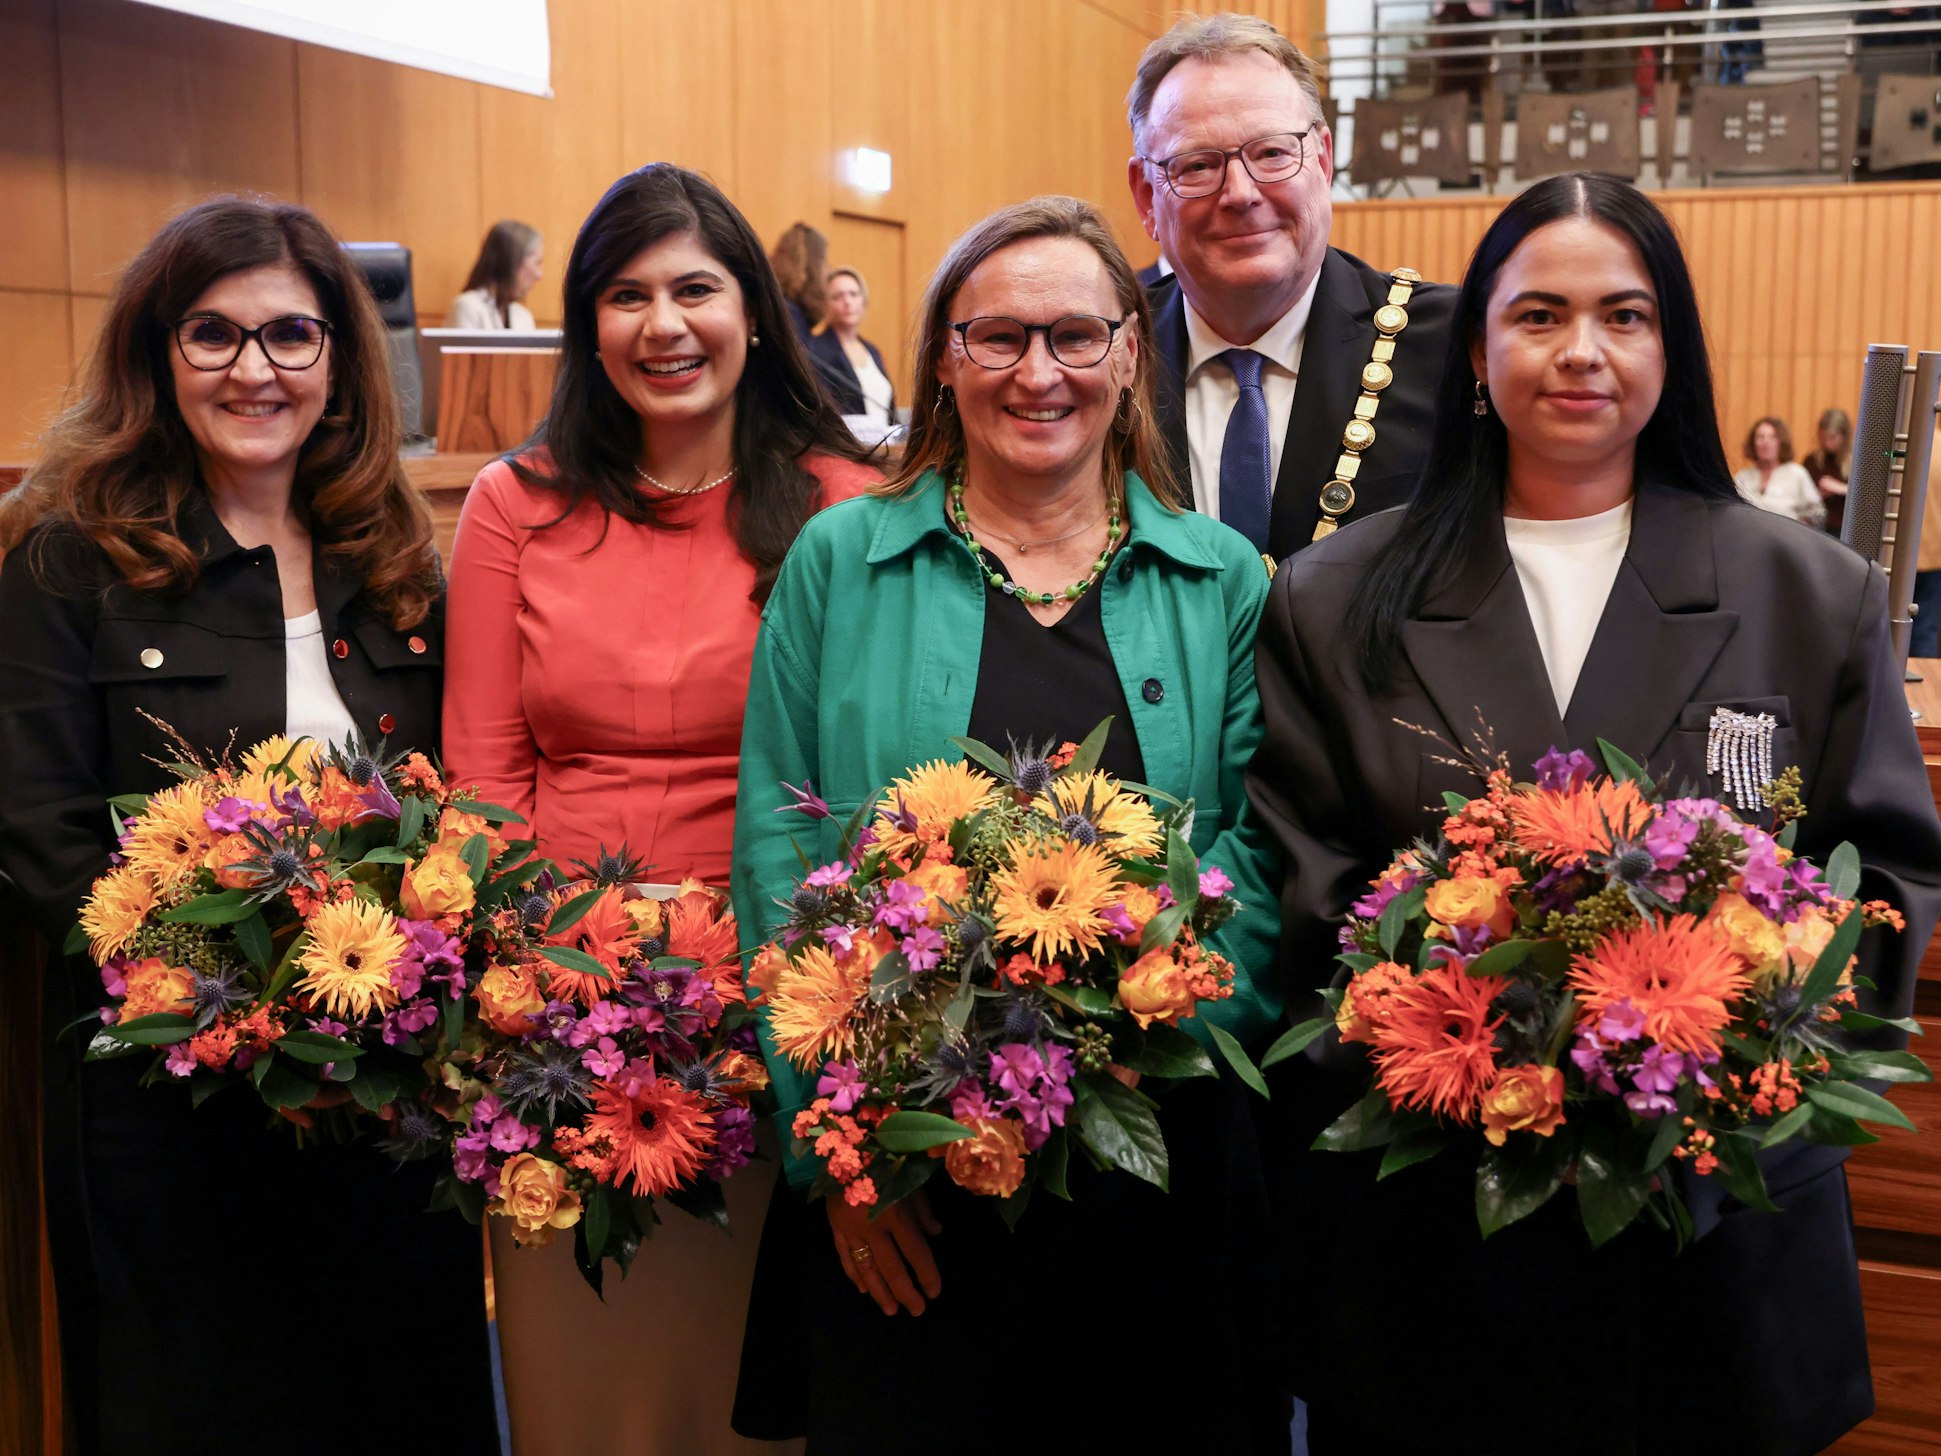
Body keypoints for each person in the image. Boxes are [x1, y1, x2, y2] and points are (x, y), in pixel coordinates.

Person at [1246, 172, 1941, 1455]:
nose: (1582, 352)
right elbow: (1304, 885)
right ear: (1476, 350)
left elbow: (1886, 874)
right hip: (1438, 1227)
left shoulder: (1807, 589)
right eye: (1539, 315)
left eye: (1625, 316)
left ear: (1671, 349)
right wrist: (1487, 1035)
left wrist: (1741, 1035)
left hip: (1717, 1233)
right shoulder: (1334, 599)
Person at [728, 195, 1290, 1456]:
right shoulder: (839, 560)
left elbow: (1262, 849)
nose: (1040, 372)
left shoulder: (1224, 581)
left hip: (1160, 1158)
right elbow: (779, 844)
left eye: (1077, 336)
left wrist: (1155, 1018)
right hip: (908, 1160)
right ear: (945, 355)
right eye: (999, 337)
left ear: (1129, 356)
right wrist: (840, 1155)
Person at [0, 197, 496, 1456]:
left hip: (388, 1105)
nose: (253, 369)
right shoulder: (68, 562)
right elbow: (44, 833)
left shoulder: (393, 559)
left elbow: (454, 809)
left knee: (399, 1399)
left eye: (290, 336)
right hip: (176, 1115)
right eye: (214, 334)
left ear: (339, 359)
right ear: (160, 355)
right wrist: (231, 1004)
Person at [443, 162, 876, 1456]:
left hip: (781, 1003)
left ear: (755, 312)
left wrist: (803, 992)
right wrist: (556, 985)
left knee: (756, 1395)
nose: (663, 325)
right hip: (562, 1018)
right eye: (625, 296)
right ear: (586, 327)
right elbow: (480, 777)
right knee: (592, 1389)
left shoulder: (844, 508)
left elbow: (855, 787)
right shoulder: (511, 504)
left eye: (697, 288)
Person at [1127, 12, 1458, 558]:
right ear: (1146, 196)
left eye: (1272, 154)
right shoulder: (1098, 360)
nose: (1240, 192)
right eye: (1197, 165)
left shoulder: (1449, 346)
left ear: (1323, 161)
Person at [806, 266, 895, 421]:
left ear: (863, 300)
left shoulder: (872, 351)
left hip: (887, 442)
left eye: (853, 294)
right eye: (837, 297)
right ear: (825, 304)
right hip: (844, 443)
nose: (847, 302)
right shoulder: (815, 351)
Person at [1734, 414, 1826, 527]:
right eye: (1760, 437)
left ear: (1781, 442)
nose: (1765, 443)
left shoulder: (1797, 474)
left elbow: (1818, 514)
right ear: (1753, 443)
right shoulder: (1742, 477)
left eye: (1772, 437)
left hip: (1787, 539)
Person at [450, 218, 544, 328]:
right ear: (512, 262)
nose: (539, 275)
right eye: (537, 263)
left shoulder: (524, 317)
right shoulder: (467, 308)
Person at [768, 221, 829, 346]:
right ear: (814, 266)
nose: (828, 269)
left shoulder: (779, 305)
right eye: (824, 261)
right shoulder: (791, 316)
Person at [1800, 405, 1852, 536]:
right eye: (1823, 437)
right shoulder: (1811, 461)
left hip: (1847, 528)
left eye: (1832, 437)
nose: (1827, 443)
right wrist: (1817, 495)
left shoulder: (1858, 462)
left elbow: (1868, 496)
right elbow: (1803, 498)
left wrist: (1841, 488)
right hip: (1818, 529)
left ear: (1844, 436)